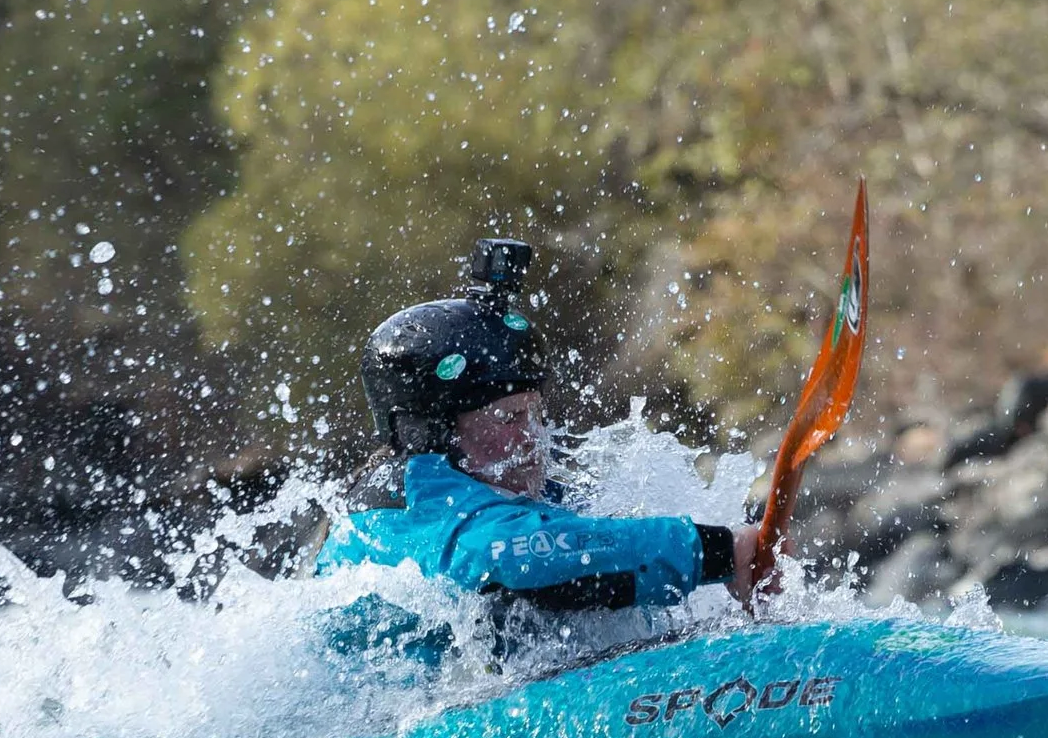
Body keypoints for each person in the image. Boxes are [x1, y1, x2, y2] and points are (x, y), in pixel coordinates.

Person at [314, 238, 761, 616]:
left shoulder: (509, 492)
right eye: (509, 418)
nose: (532, 436)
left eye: (535, 415)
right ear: (434, 434)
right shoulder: (417, 505)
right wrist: (717, 551)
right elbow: (507, 556)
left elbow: (587, 542)